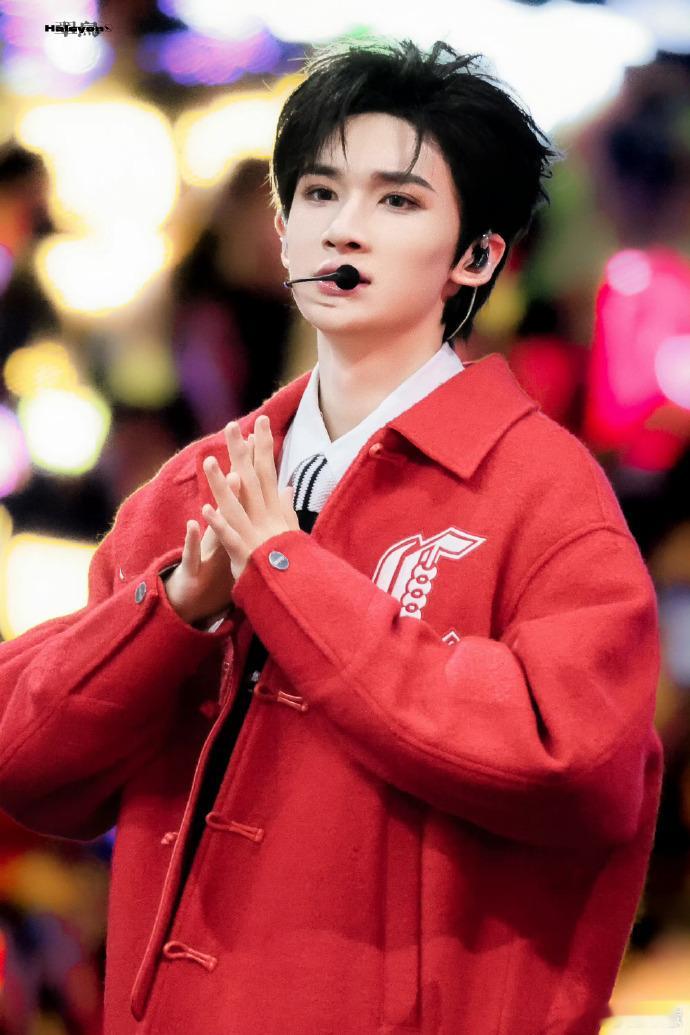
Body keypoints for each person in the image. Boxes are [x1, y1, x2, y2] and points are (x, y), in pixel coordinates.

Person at [0, 38, 662, 1035]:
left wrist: (286, 569)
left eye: (397, 200)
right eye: (318, 193)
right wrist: (175, 608)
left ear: (478, 255)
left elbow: (578, 771)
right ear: (282, 231)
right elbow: (27, 761)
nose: (344, 227)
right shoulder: (197, 483)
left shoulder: (544, 495)